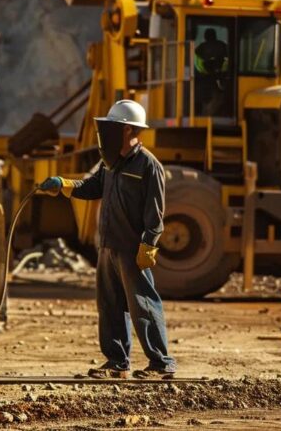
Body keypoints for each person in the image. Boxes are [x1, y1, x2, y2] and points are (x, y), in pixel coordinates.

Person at [39, 100, 177, 379]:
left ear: (126, 129)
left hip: (131, 249)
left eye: (112, 126)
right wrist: (64, 185)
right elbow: (92, 188)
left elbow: (155, 211)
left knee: (143, 305)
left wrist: (149, 244)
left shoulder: (148, 165)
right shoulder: (110, 164)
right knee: (110, 306)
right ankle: (117, 362)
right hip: (108, 247)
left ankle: (161, 364)